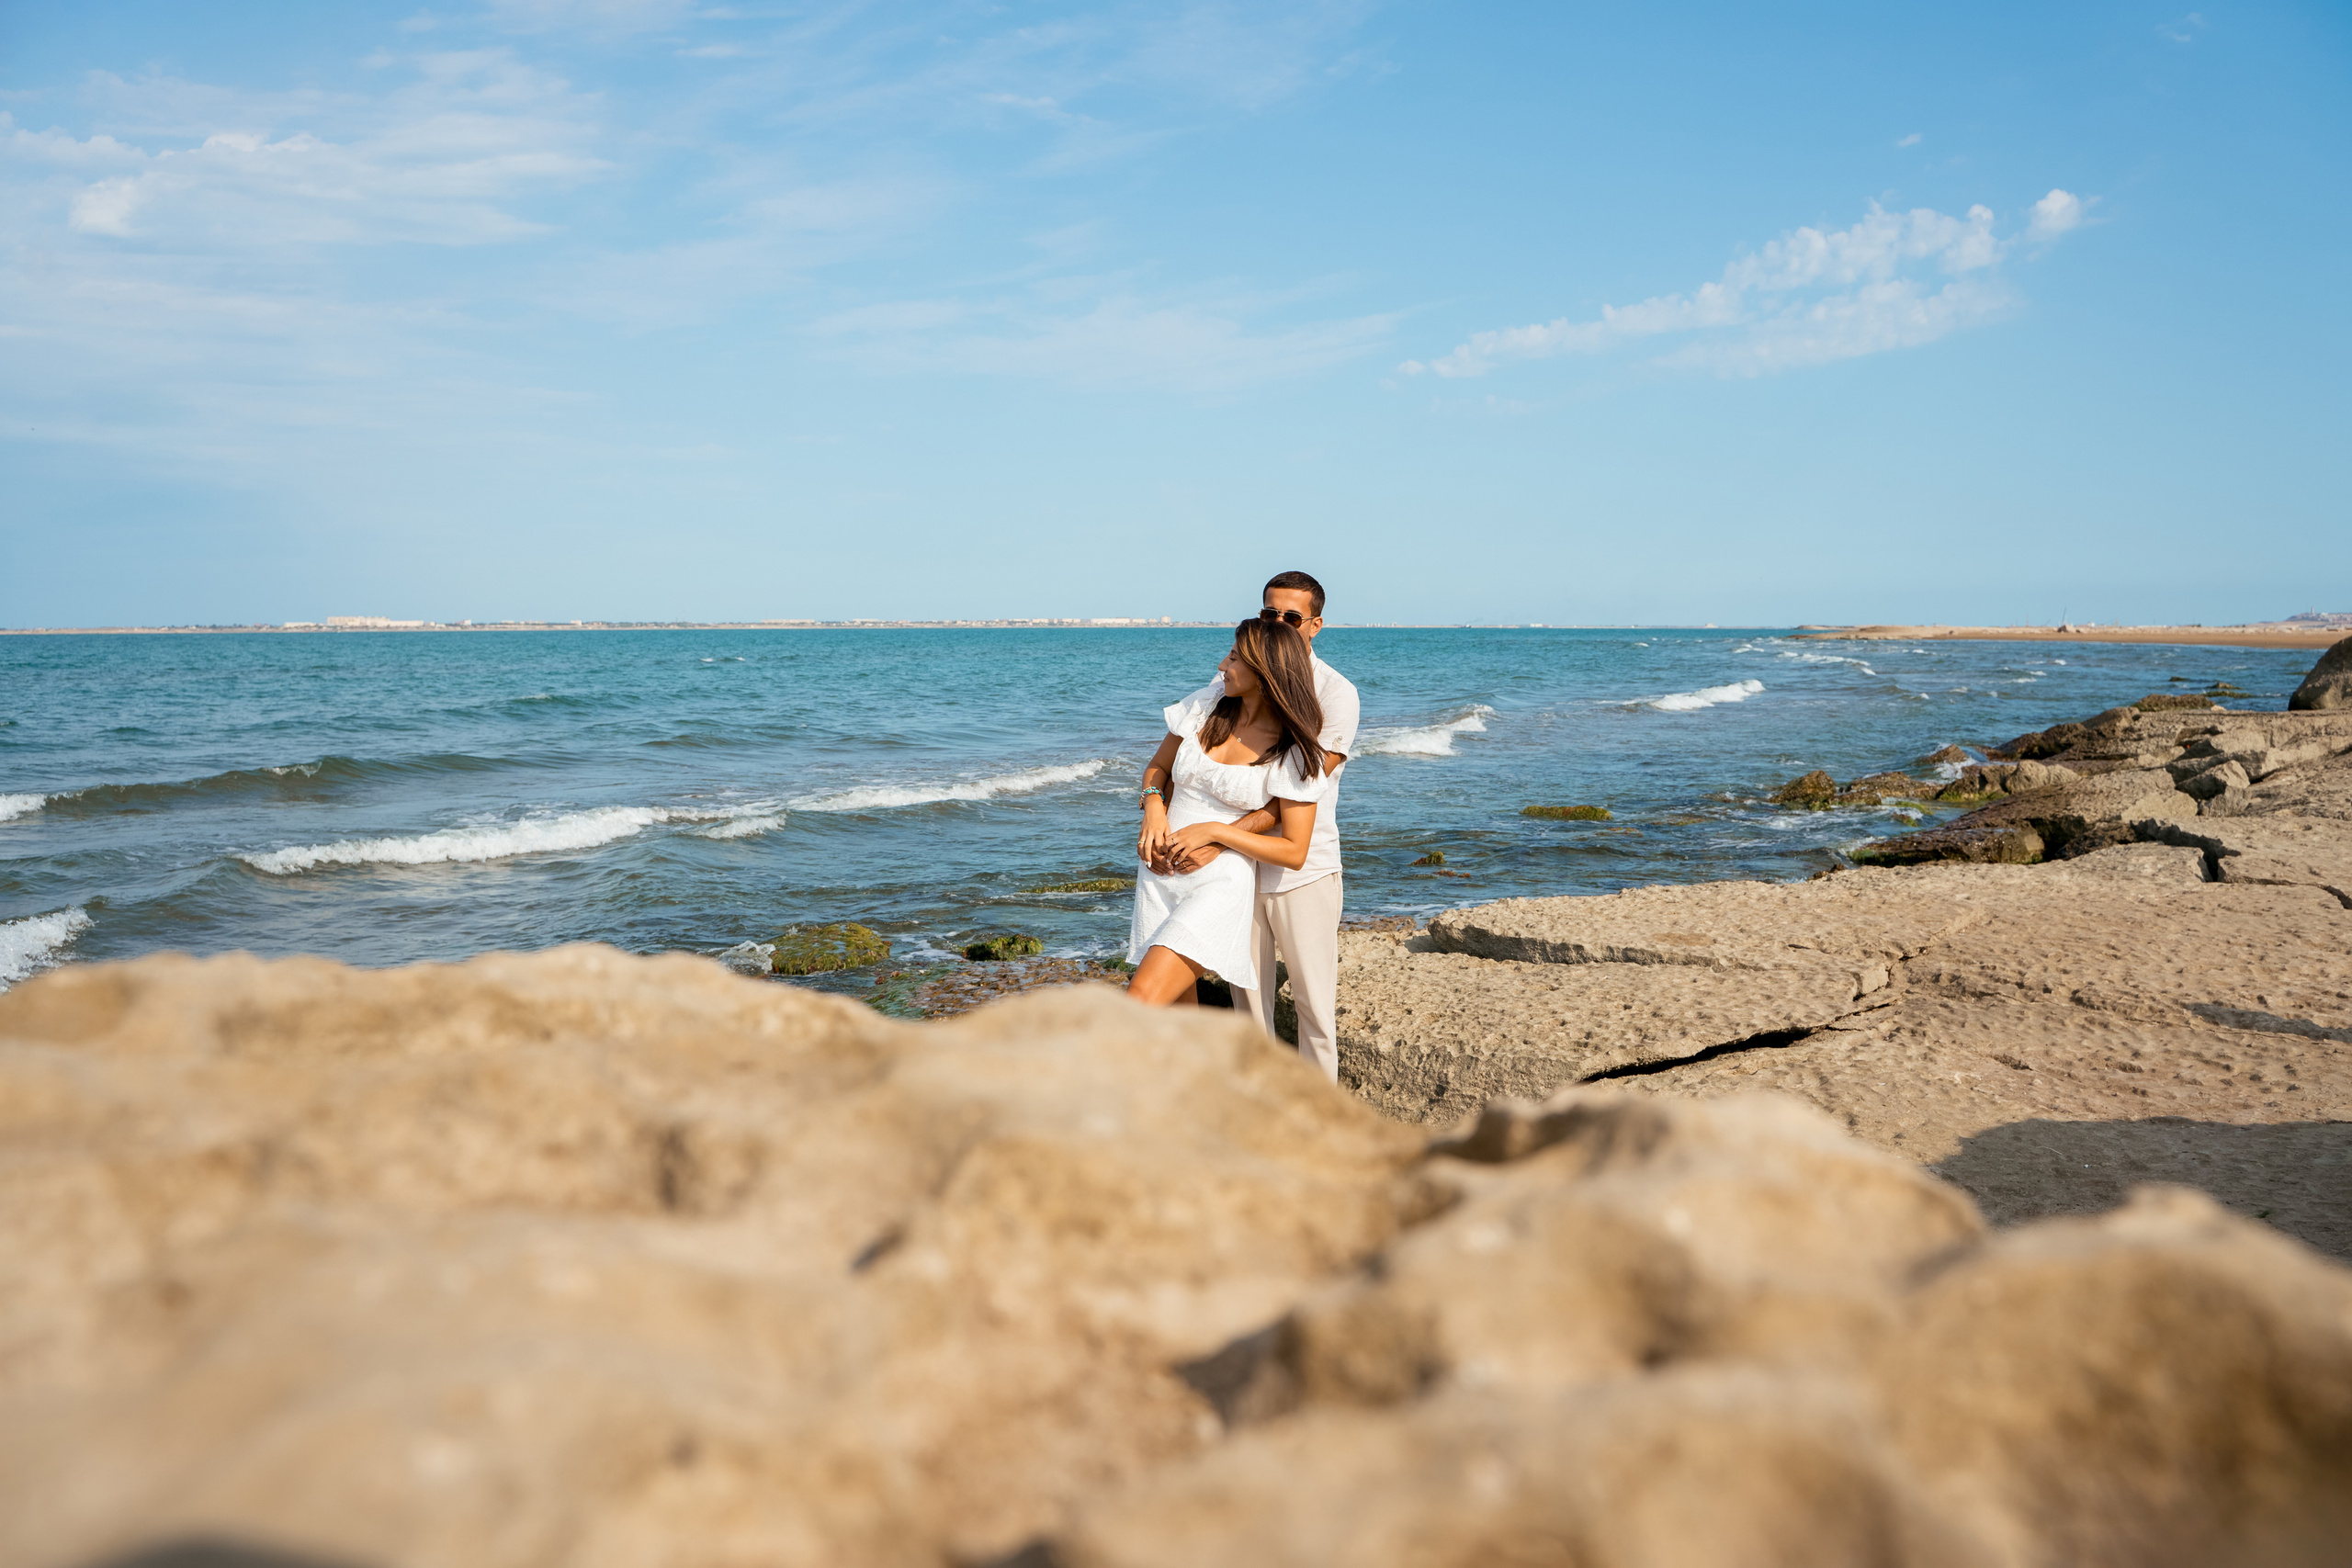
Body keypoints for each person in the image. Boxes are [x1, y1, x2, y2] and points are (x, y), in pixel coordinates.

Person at [1138, 571, 1360, 1078]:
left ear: (1315, 625)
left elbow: (1295, 795)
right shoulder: (1222, 691)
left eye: (1291, 616)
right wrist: (1158, 806)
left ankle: (1323, 1118)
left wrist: (1217, 836)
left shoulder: (1335, 695)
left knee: (1313, 1008)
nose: (1278, 622)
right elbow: (1171, 760)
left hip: (1300, 869)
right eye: (1268, 613)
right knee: (1250, 1007)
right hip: (1232, 869)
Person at [1125, 617, 1336, 1007]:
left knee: (1140, 999)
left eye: (1235, 658)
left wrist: (1216, 832)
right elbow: (1158, 768)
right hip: (1158, 874)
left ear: (1265, 671)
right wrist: (1153, 808)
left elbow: (1295, 850)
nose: (1223, 665)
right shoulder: (1205, 707)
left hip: (1219, 882)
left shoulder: (1294, 749)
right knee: (1176, 1014)